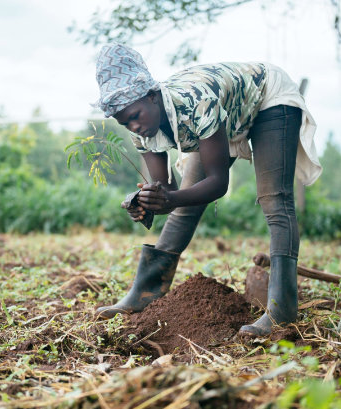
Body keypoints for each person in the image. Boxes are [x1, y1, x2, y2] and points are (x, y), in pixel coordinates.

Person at [93, 43, 321, 337]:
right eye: (124, 123)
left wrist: (171, 199)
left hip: (267, 97)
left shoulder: (195, 103)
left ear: (152, 96)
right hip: (224, 113)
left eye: (135, 115)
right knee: (185, 205)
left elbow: (217, 182)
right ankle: (144, 294)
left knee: (274, 199)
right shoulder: (142, 133)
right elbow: (168, 193)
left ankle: (282, 311)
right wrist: (146, 202)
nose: (133, 126)